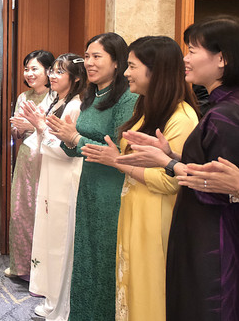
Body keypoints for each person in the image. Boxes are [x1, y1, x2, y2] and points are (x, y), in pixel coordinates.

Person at [117, 17, 239, 321]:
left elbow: (214, 184)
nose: (185, 58)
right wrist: (170, 152)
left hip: (213, 232)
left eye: (193, 50)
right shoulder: (219, 108)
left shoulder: (225, 114)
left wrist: (167, 162)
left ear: (222, 58)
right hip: (201, 225)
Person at [80, 36, 199, 321]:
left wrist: (119, 163)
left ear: (154, 70)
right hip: (134, 208)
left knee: (151, 293)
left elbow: (172, 180)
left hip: (157, 216)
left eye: (132, 66)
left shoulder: (182, 118)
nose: (126, 73)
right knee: (130, 289)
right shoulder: (145, 109)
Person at [46, 33, 138, 320]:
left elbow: (124, 153)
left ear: (116, 62)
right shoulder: (92, 94)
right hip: (87, 185)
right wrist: (68, 138)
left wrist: (76, 137)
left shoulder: (127, 98)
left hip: (112, 190)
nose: (88, 62)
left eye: (97, 56)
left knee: (106, 262)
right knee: (86, 259)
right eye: (86, 56)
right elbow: (77, 147)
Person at [24, 54, 87, 320]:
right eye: (53, 70)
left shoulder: (76, 106)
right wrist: (39, 127)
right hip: (52, 176)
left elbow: (68, 150)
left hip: (65, 178)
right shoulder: (60, 101)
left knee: (61, 239)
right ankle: (52, 298)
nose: (52, 76)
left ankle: (62, 305)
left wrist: (40, 127)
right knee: (50, 236)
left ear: (75, 79)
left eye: (60, 72)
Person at [6, 50, 55, 280]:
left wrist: (35, 124)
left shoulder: (56, 98)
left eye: (35, 68)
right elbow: (16, 133)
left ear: (49, 70)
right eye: (27, 69)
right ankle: (22, 266)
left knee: (43, 213)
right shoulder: (23, 97)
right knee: (21, 212)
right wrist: (19, 127)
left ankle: (42, 273)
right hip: (26, 159)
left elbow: (56, 132)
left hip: (47, 161)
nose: (29, 73)